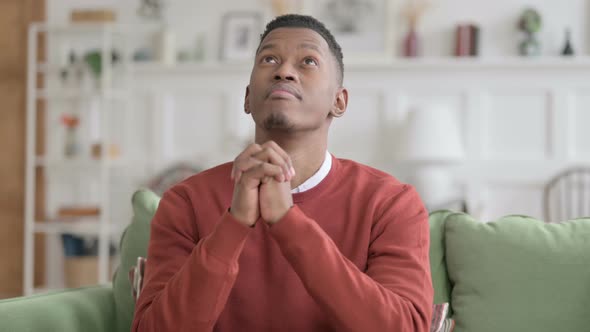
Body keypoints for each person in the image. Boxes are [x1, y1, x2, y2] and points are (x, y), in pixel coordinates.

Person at [132, 14, 433, 332]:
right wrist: (233, 224)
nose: (284, 71)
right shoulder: (186, 202)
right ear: (247, 98)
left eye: (308, 61)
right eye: (269, 58)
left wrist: (288, 223)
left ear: (339, 101)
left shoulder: (390, 203)